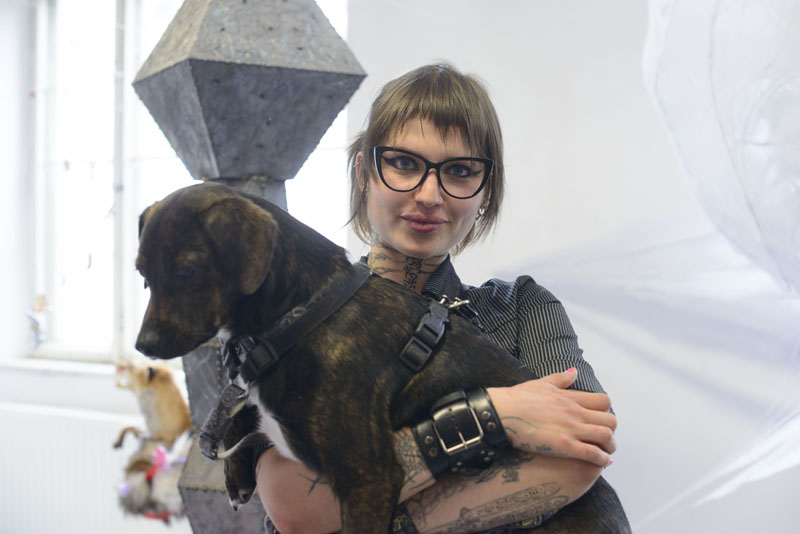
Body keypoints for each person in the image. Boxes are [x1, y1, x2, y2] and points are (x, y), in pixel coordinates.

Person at [255, 63, 617, 534]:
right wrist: (499, 414)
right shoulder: (296, 322)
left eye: (460, 171)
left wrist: (357, 507)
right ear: (364, 171)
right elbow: (296, 506)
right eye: (404, 163)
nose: (429, 195)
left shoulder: (522, 310)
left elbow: (583, 447)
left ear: (485, 189)